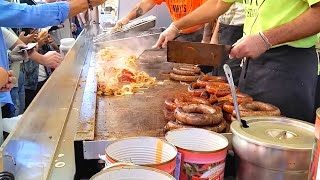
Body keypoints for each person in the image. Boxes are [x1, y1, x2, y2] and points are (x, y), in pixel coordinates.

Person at [154, 0, 320, 123]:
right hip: (252, 64)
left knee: (278, 149)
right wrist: (176, 26)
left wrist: (265, 39)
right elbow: (219, 4)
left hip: (288, 66)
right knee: (246, 133)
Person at [0, 0, 105, 118]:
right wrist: (87, 2)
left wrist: (9, 57)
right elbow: (30, 14)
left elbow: (7, 35)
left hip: (6, 89)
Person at [116, 0, 207, 43]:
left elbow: (210, 14)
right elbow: (146, 4)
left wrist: (206, 39)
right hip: (178, 31)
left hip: (201, 33)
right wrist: (127, 18)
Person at [211, 2, 244, 85]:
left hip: (240, 31)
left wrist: (176, 27)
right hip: (224, 29)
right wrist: (215, 37)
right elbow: (222, 9)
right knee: (217, 76)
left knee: (231, 78)